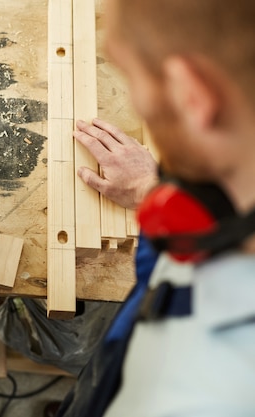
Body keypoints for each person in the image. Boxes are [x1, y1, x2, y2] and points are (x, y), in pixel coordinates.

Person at [54, 0, 255, 415]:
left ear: (191, 95)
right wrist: (152, 191)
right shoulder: (228, 205)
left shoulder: (186, 398)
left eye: (130, 73)